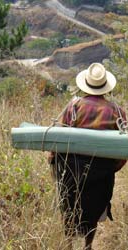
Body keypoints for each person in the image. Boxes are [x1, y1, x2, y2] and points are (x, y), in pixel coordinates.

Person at [48, 63, 127, 250]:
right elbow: (124, 148)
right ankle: (88, 245)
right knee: (94, 207)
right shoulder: (116, 111)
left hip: (72, 169)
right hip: (102, 172)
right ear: (105, 86)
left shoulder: (73, 106)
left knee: (69, 206)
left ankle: (68, 244)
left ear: (86, 84)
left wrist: (53, 159)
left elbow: (59, 138)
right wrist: (113, 168)